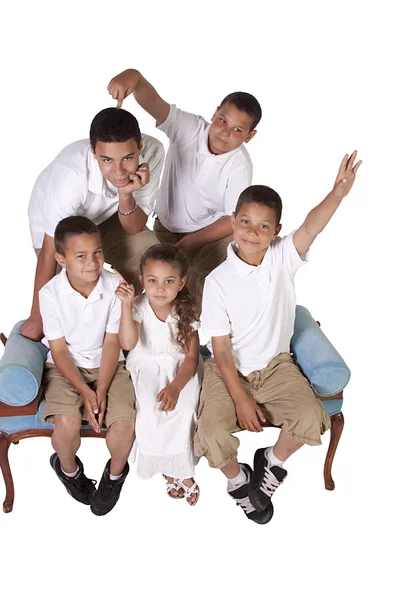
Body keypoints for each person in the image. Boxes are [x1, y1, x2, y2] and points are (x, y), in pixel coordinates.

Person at [194, 151, 362, 524]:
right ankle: (238, 481)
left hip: (275, 367)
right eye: (245, 222)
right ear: (233, 222)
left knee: (310, 418)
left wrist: (337, 193)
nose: (252, 232)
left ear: (276, 231)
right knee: (210, 432)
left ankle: (271, 463)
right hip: (228, 371)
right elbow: (219, 348)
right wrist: (239, 397)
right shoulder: (218, 281)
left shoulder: (283, 258)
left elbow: (312, 227)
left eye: (263, 226)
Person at [107, 68, 261, 303]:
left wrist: (189, 243)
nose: (225, 132)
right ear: (215, 113)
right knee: (155, 283)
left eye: (237, 130)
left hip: (209, 235)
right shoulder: (190, 128)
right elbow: (154, 103)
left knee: (208, 285)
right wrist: (135, 78)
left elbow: (233, 220)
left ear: (249, 137)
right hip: (165, 229)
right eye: (222, 120)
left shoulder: (239, 166)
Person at [23, 107, 165, 341]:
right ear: (93, 152)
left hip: (109, 218)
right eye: (106, 160)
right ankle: (80, 338)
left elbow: (133, 227)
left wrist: (125, 193)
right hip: (62, 229)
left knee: (151, 255)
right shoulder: (70, 177)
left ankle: (122, 327)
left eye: (128, 158)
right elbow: (49, 254)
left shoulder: (154, 152)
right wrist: (36, 318)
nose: (118, 171)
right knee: (72, 287)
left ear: (140, 146)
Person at [39, 215, 136, 516]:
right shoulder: (50, 294)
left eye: (97, 252)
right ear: (61, 258)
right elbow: (58, 350)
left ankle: (115, 474)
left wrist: (102, 388)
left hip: (111, 364)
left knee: (123, 425)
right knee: (67, 425)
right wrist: (84, 390)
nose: (92, 262)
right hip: (65, 367)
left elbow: (111, 342)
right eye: (80, 256)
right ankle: (68, 470)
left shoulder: (113, 286)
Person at [115, 243, 202, 506]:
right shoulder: (139, 306)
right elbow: (129, 344)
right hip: (145, 366)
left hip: (179, 369)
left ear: (181, 282)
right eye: (152, 280)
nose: (160, 288)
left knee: (184, 409)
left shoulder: (186, 311)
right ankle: (168, 469)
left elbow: (191, 357)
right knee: (151, 411)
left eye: (169, 281)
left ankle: (182, 470)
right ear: (141, 280)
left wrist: (176, 386)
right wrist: (126, 305)